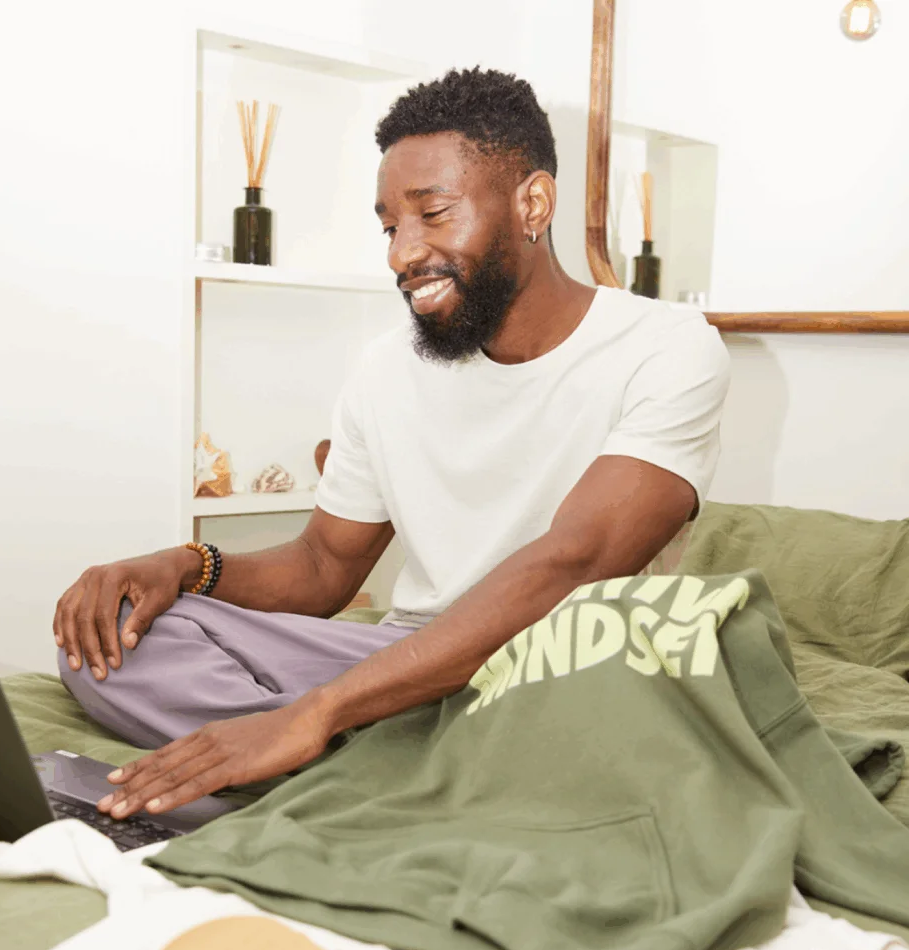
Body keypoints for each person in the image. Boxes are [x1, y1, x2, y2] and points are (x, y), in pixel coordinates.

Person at [54, 67, 730, 821]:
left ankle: (336, 771)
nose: (401, 255)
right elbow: (321, 567)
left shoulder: (668, 349)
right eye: (388, 227)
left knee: (597, 715)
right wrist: (183, 565)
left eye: (433, 214)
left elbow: (571, 562)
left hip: (560, 671)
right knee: (111, 641)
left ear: (532, 203)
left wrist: (315, 713)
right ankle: (392, 777)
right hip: (399, 665)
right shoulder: (383, 370)